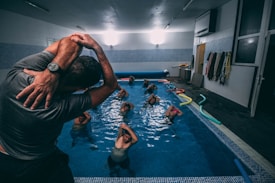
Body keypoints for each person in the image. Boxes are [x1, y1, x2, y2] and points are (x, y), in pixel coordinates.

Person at [0, 33, 118, 183]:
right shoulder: (57, 108)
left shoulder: (19, 73)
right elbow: (111, 85)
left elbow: (72, 40)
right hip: (35, 164)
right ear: (82, 88)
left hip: (2, 156)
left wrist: (52, 72)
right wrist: (97, 49)